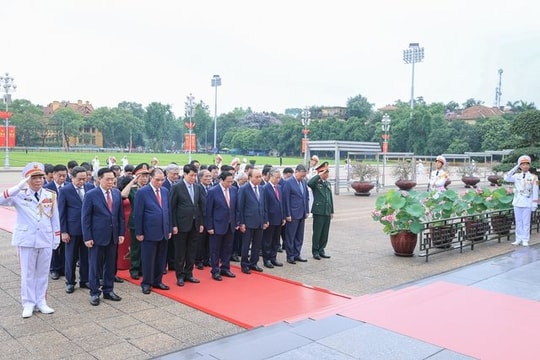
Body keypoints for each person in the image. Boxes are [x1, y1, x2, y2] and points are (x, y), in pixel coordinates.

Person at [0, 162, 60, 318]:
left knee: (42, 272)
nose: (38, 180)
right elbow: (1, 200)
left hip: (45, 238)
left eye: (40, 177)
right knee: (27, 274)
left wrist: (56, 236)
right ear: (27, 179)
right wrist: (17, 187)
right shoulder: (19, 194)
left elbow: (55, 218)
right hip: (26, 239)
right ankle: (28, 303)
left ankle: (41, 302)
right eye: (34, 177)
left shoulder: (50, 195)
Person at [82, 167, 125, 306]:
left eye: (113, 179)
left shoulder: (117, 193)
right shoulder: (91, 194)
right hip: (97, 236)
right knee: (95, 265)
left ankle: (108, 290)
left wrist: (121, 233)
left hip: (113, 236)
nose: (111, 182)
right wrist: (87, 237)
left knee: (111, 265)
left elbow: (120, 216)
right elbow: (85, 217)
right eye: (108, 179)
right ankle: (94, 292)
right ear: (99, 179)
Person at [134, 168, 172, 294]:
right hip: (149, 231)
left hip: (163, 230)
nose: (160, 182)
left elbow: (168, 211)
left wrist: (169, 228)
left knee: (161, 259)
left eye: (162, 180)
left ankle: (157, 280)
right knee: (148, 259)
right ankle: (146, 282)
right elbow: (138, 214)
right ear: (151, 178)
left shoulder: (165, 191)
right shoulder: (143, 192)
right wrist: (139, 232)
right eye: (157, 180)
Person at [58, 166, 95, 294]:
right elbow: (61, 213)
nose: (82, 182)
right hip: (72, 230)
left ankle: (85, 280)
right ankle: (70, 282)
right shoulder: (65, 190)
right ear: (72, 177)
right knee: (70, 257)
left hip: (87, 230)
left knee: (86, 257)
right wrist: (64, 231)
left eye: (85, 179)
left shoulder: (90, 188)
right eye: (79, 179)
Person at [170, 164, 205, 286]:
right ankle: (179, 275)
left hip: (195, 224)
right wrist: (174, 224)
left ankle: (189, 273)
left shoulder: (197, 187)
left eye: (195, 175)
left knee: (191, 251)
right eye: (191, 175)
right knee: (180, 251)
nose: (193, 178)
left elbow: (200, 206)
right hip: (181, 224)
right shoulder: (177, 187)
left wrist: (201, 223)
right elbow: (172, 207)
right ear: (184, 174)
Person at [205, 171, 238, 281]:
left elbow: (235, 208)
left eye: (231, 181)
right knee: (215, 249)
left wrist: (236, 222)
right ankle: (215, 270)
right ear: (221, 180)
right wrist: (209, 227)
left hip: (230, 224)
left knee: (227, 248)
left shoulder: (233, 190)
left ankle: (225, 268)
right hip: (217, 225)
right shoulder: (213, 191)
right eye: (228, 182)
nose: (230, 184)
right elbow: (208, 211)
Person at [120, 163, 151, 280]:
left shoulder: (149, 189)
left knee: (146, 247)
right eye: (142, 176)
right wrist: (133, 181)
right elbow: (123, 194)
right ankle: (134, 269)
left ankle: (143, 268)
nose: (144, 178)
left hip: (148, 222)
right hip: (135, 222)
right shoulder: (133, 189)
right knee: (135, 247)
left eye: (146, 176)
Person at [237, 169, 268, 274]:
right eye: (256, 177)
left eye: (260, 177)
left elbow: (264, 205)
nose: (259, 179)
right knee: (246, 245)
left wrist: (265, 220)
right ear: (250, 177)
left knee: (257, 244)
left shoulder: (261, 189)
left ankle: (254, 263)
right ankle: (245, 264)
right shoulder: (244, 189)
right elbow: (240, 207)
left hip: (259, 221)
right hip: (248, 222)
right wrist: (241, 223)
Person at [504, 155, 539, 247]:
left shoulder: (534, 177)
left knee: (526, 222)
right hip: (517, 202)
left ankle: (525, 239)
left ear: (529, 165)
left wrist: (534, 204)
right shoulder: (516, 176)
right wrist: (515, 167)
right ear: (520, 166)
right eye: (522, 164)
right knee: (518, 221)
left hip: (527, 202)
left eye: (527, 164)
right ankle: (518, 238)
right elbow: (506, 178)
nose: (525, 166)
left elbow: (535, 191)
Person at [44, 164, 69, 280]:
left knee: (65, 246)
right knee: (54, 246)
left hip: (65, 221)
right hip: (51, 222)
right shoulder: (46, 188)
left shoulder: (69, 187)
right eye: (60, 176)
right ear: (53, 175)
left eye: (64, 176)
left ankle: (63, 267)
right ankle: (54, 268)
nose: (62, 178)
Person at [282, 164, 309, 264]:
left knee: (299, 236)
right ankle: (290, 256)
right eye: (301, 175)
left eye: (304, 176)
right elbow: (286, 200)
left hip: (301, 213)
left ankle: (297, 254)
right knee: (290, 236)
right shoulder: (288, 182)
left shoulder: (303, 182)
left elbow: (306, 197)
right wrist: (287, 214)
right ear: (296, 172)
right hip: (292, 214)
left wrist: (306, 210)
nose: (302, 177)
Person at [307, 162, 334, 260]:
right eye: (325, 172)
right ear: (321, 173)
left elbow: (330, 198)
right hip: (318, 211)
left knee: (325, 232)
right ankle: (315, 251)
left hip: (326, 211)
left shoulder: (327, 183)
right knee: (317, 232)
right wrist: (318, 175)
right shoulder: (316, 183)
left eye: (327, 172)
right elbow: (309, 183)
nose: (327, 174)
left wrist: (331, 211)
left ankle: (322, 250)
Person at [262, 167, 285, 268]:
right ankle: (266, 259)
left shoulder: (279, 187)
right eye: (276, 177)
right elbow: (264, 206)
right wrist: (265, 219)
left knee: (276, 240)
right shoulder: (265, 188)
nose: (278, 179)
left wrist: (283, 217)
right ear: (270, 177)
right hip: (270, 219)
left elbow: (281, 203)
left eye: (279, 177)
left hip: (278, 219)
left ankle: (273, 258)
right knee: (268, 240)